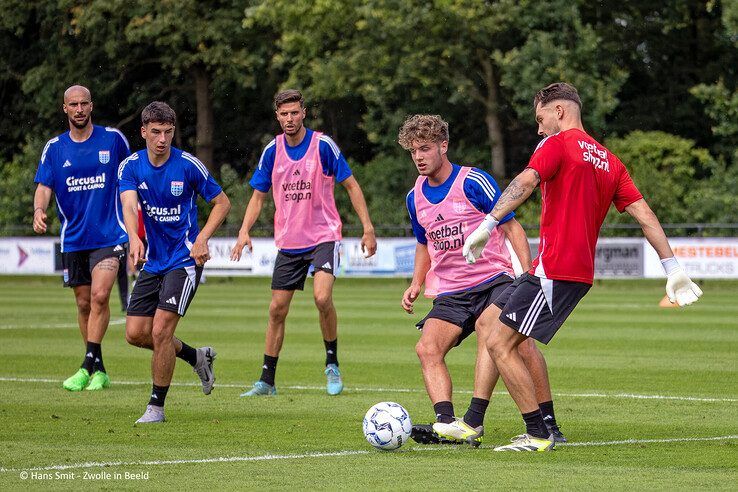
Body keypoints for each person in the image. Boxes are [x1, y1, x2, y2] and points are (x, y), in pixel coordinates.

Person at [463, 82, 703, 451]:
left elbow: (525, 180)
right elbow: (646, 215)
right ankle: (488, 422)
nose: (539, 129)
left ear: (559, 111)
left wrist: (486, 224)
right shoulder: (611, 160)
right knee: (493, 326)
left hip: (556, 270)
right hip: (568, 271)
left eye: (541, 118)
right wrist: (672, 268)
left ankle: (538, 434)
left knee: (499, 343)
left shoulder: (557, 145)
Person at [397, 114, 566, 447]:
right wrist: (416, 283)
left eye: (425, 148)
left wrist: (528, 272)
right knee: (427, 348)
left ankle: (545, 423)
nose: (418, 156)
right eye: (413, 150)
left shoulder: (473, 181)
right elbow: (423, 243)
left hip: (493, 280)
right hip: (450, 291)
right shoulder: (413, 197)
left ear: (443, 146)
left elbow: (512, 226)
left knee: (513, 342)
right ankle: (448, 424)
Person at [231, 89, 377, 397]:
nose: (289, 118)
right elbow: (258, 196)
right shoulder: (271, 151)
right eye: (284, 114)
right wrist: (244, 230)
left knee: (322, 298)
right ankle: (267, 381)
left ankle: (332, 363)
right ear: (277, 116)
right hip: (289, 242)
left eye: (294, 112)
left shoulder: (322, 145)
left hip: (323, 236)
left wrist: (367, 228)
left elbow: (351, 185)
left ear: (304, 113)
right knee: (276, 310)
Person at [119, 101, 231, 423]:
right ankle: (197, 356)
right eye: (155, 132)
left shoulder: (188, 166)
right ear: (143, 132)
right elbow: (129, 206)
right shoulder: (130, 167)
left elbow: (222, 203)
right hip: (153, 261)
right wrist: (133, 237)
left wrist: (202, 238)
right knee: (135, 333)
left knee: (161, 331)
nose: (162, 139)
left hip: (184, 260)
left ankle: (156, 407)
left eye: (168, 132)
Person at [33, 85, 130, 391]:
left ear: (92, 106)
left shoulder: (113, 139)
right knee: (84, 303)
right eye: (73, 104)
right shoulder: (54, 148)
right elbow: (44, 186)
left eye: (83, 103)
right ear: (65, 109)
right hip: (73, 237)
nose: (78, 109)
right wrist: (39, 209)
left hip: (110, 234)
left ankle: (86, 363)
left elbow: (132, 174)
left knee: (101, 295)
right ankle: (98, 368)